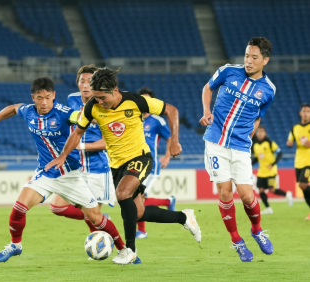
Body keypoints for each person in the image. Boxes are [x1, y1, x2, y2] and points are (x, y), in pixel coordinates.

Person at [46, 68, 201, 265]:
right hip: (117, 165)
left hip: (140, 157)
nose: (99, 102)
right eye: (96, 97)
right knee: (138, 213)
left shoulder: (135, 101)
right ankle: (184, 217)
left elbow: (171, 110)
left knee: (123, 194)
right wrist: (63, 156)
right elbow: (77, 133)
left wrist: (174, 141)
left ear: (115, 90)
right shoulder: (92, 107)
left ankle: (129, 250)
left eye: (102, 97)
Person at [0, 77, 131, 264]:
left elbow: (81, 118)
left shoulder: (64, 113)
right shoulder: (28, 111)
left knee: (97, 219)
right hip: (46, 173)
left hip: (71, 175)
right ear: (33, 97)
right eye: (40, 98)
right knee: (19, 208)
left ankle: (124, 250)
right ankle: (15, 245)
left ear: (54, 96)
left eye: (48, 97)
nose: (44, 102)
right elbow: (13, 108)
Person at [200, 37, 275, 262]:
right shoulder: (228, 71)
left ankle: (257, 230)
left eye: (254, 57)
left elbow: (258, 117)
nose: (248, 61)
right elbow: (207, 87)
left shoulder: (269, 90)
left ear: (265, 60)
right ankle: (236, 240)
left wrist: (250, 134)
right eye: (246, 56)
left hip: (241, 146)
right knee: (225, 191)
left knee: (247, 196)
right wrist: (206, 111)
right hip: (215, 142)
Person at [49, 65, 115, 233]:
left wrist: (81, 146)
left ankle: (112, 247)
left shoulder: (107, 105)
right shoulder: (72, 99)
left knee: (94, 219)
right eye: (82, 81)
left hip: (97, 168)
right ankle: (101, 220)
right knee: (57, 207)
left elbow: (108, 143)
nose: (85, 85)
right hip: (76, 166)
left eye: (89, 81)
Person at [135, 87, 175, 239]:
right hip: (135, 164)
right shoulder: (133, 118)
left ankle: (142, 231)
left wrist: (167, 156)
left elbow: (170, 138)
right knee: (137, 198)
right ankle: (168, 200)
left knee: (138, 197)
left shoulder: (157, 121)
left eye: (148, 100)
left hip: (151, 165)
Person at [252, 125, 293, 214]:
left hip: (271, 171)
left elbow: (280, 153)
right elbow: (257, 158)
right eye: (258, 132)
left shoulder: (270, 143)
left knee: (272, 190)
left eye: (262, 132)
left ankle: (287, 194)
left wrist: (273, 164)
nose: (260, 133)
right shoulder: (255, 146)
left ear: (265, 133)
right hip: (261, 172)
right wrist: (250, 164)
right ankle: (268, 208)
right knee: (261, 190)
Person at [286, 103, 310, 219]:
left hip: (308, 162)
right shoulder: (295, 128)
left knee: (302, 184)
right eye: (304, 111)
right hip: (298, 162)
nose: (306, 113)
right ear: (300, 113)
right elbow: (290, 141)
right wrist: (289, 143)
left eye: (308, 111)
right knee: (302, 187)